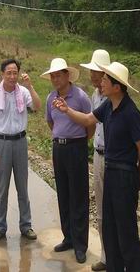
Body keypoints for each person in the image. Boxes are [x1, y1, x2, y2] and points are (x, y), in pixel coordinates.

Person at [52, 61, 140, 272]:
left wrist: (139, 176)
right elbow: (88, 119)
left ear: (117, 87)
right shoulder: (108, 105)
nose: (101, 82)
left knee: (126, 230)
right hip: (110, 169)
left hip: (125, 174)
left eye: (105, 79)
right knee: (110, 227)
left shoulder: (131, 112)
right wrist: (67, 110)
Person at [0, 58, 42, 242]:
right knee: (2, 188)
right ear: (2, 74)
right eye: (8, 73)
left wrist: (30, 86)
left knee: (22, 187)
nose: (12, 76)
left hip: (20, 142)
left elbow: (37, 106)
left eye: (15, 73)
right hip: (2, 143)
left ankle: (26, 225)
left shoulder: (23, 92)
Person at [43, 57, 93, 264]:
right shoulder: (50, 98)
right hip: (59, 148)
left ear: (67, 75)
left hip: (76, 147)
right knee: (63, 194)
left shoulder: (80, 97)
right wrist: (60, 137)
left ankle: (81, 244)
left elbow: (90, 124)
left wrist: (78, 141)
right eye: (52, 76)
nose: (55, 79)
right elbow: (50, 122)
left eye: (58, 75)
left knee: (78, 196)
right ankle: (68, 238)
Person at [80, 49, 111, 271]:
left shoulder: (113, 99)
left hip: (113, 158)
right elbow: (92, 126)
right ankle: (105, 255)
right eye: (91, 71)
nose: (92, 75)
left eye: (96, 72)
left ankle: (117, 257)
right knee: (100, 208)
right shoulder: (95, 95)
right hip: (98, 155)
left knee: (114, 208)